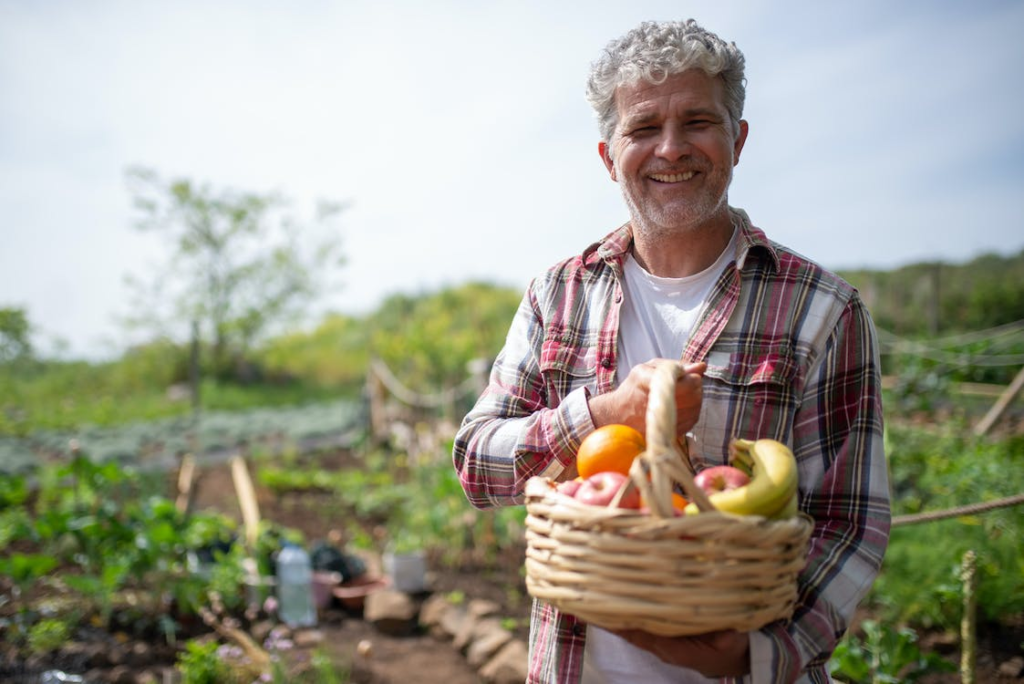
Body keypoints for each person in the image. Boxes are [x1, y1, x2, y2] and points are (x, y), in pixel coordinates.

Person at [452, 18, 891, 684]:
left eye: (697, 122)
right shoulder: (557, 294)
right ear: (608, 156)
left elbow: (851, 520)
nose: (671, 149)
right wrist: (603, 416)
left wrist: (759, 654)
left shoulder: (820, 309)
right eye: (643, 128)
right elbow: (476, 464)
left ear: (737, 140)